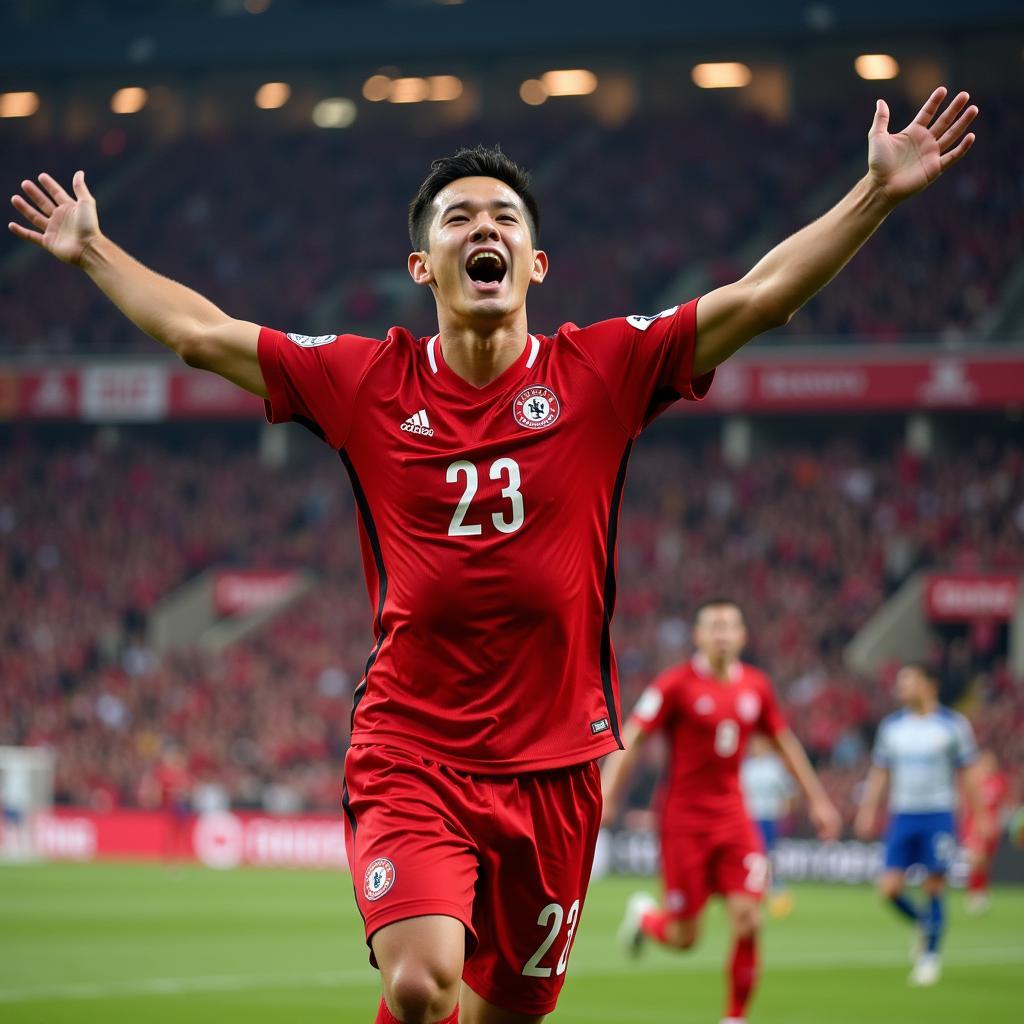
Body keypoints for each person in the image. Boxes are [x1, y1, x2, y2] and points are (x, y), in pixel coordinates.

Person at [9, 86, 977, 1024]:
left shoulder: (602, 369)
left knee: (503, 1013)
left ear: (537, 261)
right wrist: (93, 249)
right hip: (413, 748)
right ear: (423, 264)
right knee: (422, 985)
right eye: (459, 216)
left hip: (558, 768)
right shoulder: (365, 379)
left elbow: (760, 296)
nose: (485, 228)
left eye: (505, 217)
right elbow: (201, 334)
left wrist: (876, 195)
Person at [601, 598, 841, 1024]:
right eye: (713, 626)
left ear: (743, 636)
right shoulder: (675, 684)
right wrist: (607, 792)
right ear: (698, 636)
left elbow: (784, 742)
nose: (722, 634)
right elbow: (634, 735)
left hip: (734, 819)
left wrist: (818, 799)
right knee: (683, 937)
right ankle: (644, 917)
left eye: (730, 626)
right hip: (683, 824)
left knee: (748, 916)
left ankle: (734, 1017)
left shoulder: (756, 686)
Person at [854, 663, 991, 987]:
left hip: (938, 814)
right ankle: (924, 924)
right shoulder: (892, 727)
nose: (901, 688)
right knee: (888, 889)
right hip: (903, 815)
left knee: (933, 886)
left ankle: (930, 957)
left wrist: (982, 815)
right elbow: (880, 771)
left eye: (908, 681)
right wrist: (868, 809)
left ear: (929, 685)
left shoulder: (953, 726)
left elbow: (969, 774)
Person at [741, 733, 797, 917]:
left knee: (765, 855)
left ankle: (772, 889)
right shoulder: (746, 766)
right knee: (752, 856)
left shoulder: (774, 766)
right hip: (748, 818)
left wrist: (785, 810)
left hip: (767, 817)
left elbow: (789, 791)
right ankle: (757, 890)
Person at [961, 749, 1009, 914]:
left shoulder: (999, 781)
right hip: (974, 826)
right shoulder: (975, 781)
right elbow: (968, 805)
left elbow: (1001, 805)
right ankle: (974, 894)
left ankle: (981, 891)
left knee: (986, 862)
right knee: (977, 859)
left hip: (992, 826)